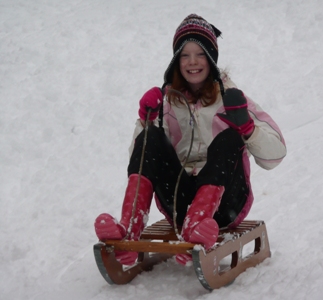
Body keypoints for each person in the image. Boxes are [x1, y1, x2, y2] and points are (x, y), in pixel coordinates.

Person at [94, 14, 286, 266]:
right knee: (151, 137)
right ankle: (129, 231)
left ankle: (196, 228)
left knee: (229, 138)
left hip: (225, 203)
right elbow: (139, 159)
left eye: (200, 54)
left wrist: (248, 128)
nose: (192, 62)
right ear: (176, 60)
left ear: (212, 59)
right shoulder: (168, 102)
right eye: (185, 55)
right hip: (180, 202)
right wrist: (145, 121)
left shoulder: (231, 98)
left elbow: (275, 156)